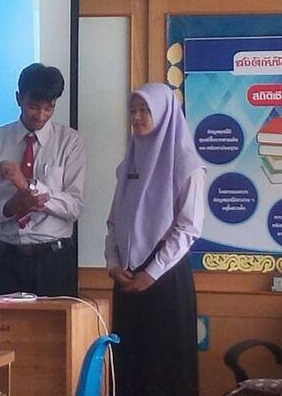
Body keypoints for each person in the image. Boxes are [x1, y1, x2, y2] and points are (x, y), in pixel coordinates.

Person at [105, 82, 205, 396]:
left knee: (165, 372)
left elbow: (188, 228)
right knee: (129, 370)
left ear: (163, 113)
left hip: (166, 279)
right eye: (132, 110)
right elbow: (114, 222)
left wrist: (152, 273)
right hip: (127, 278)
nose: (136, 117)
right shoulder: (129, 163)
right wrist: (113, 264)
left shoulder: (188, 165)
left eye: (144, 110)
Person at [0, 64, 86, 297]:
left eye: (49, 108)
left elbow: (74, 207)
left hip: (54, 259)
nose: (41, 116)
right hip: (10, 258)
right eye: (33, 107)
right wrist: (11, 206)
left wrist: (27, 185)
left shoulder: (70, 142)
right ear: (19, 98)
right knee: (7, 322)